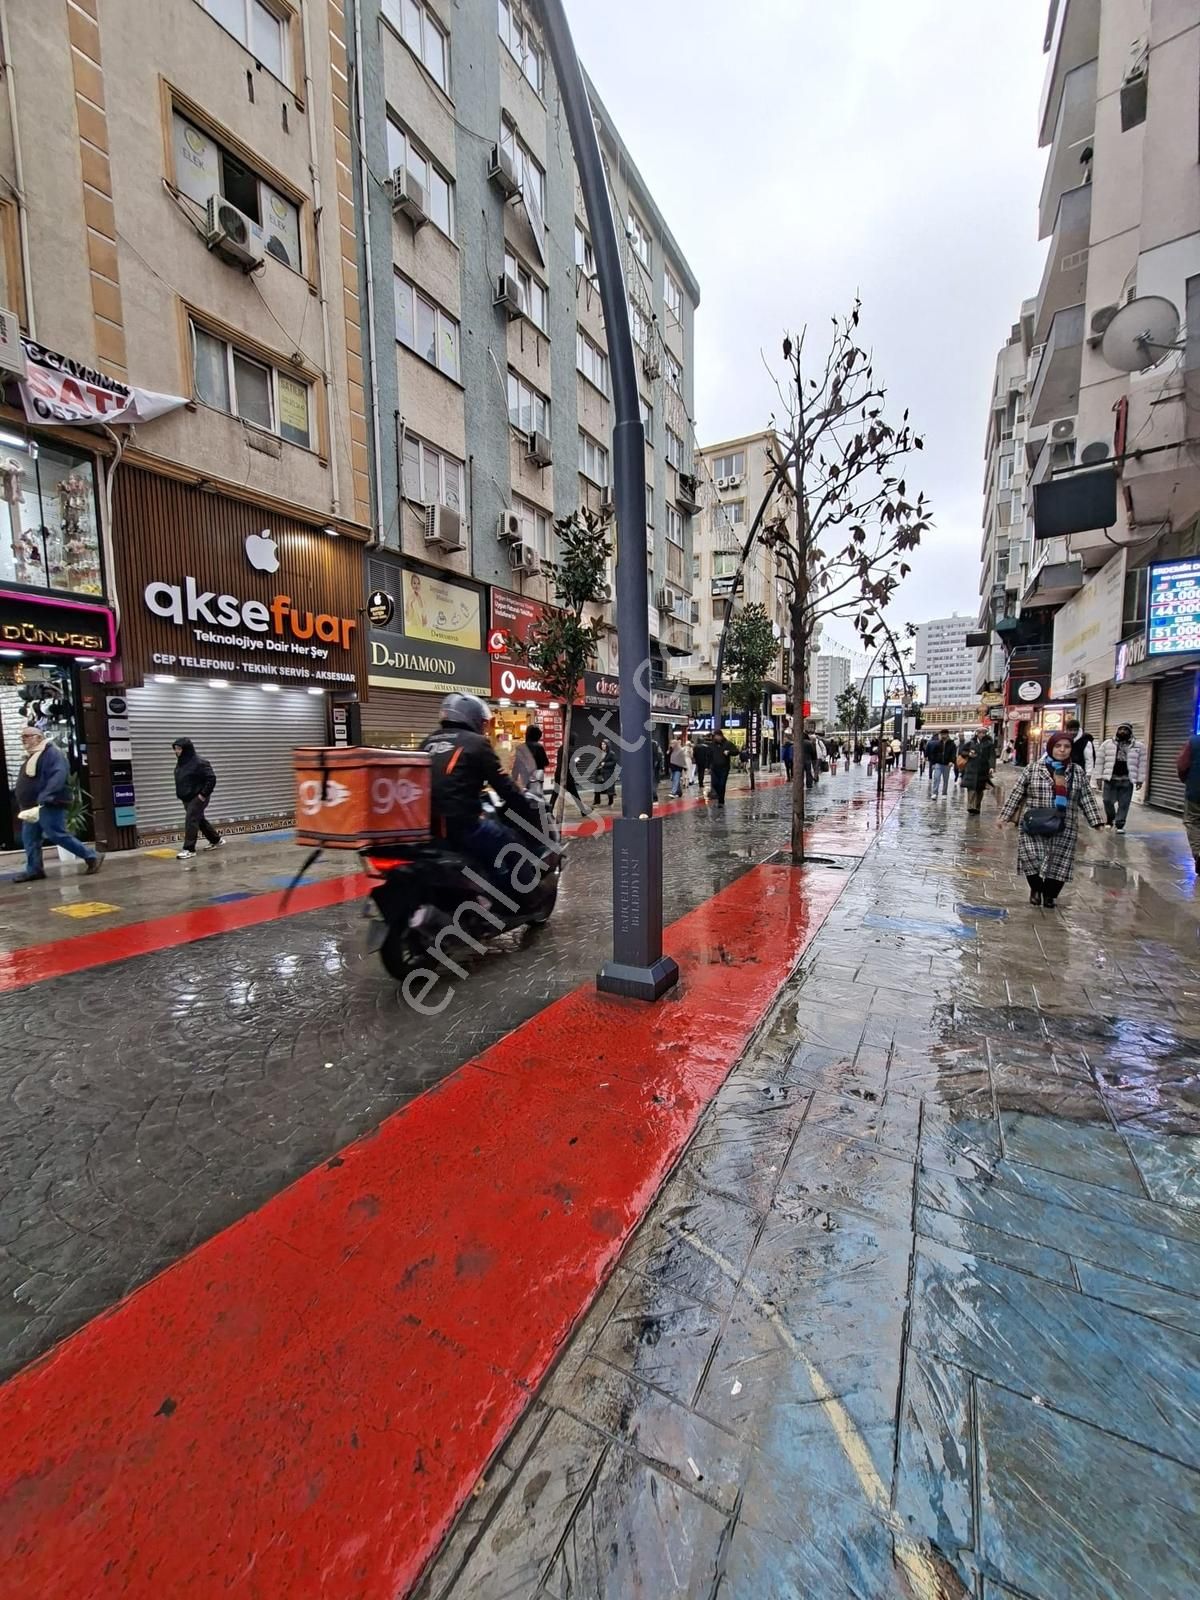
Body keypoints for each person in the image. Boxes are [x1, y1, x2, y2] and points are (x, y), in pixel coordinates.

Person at [421, 693, 539, 890]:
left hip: (429, 828)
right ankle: (519, 896)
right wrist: (525, 807)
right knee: (511, 841)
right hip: (463, 826)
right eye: (484, 723)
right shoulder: (476, 743)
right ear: (473, 718)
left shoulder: (426, 742)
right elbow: (504, 786)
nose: (485, 728)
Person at [998, 730, 1104, 908]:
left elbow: (1086, 797)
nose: (1062, 750)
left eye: (1067, 747)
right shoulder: (1033, 768)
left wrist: (1097, 821)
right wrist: (1005, 816)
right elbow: (1017, 793)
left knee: (1059, 863)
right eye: (1058, 746)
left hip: (1064, 824)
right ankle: (1036, 889)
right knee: (1030, 858)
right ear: (1050, 747)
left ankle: (1050, 895)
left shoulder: (1076, 772)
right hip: (1034, 823)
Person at [12, 727, 104, 881]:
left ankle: (92, 856)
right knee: (30, 838)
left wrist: (46, 795)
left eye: (27, 736)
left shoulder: (52, 753)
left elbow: (59, 775)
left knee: (57, 834)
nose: (24, 739)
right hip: (31, 807)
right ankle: (34, 870)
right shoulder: (33, 755)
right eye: (22, 737)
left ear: (39, 737)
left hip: (49, 803)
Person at [172, 737, 223, 860]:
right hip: (187, 797)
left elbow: (211, 779)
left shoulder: (200, 762)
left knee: (191, 819)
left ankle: (189, 849)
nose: (176, 752)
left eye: (179, 749)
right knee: (198, 819)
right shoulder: (181, 763)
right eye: (175, 749)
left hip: (198, 797)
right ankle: (216, 839)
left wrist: (202, 795)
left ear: (187, 749)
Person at [1096, 722, 1146, 831]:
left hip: (1127, 779)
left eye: (1126, 729)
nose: (1123, 731)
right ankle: (1110, 818)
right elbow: (1100, 761)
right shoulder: (1107, 744)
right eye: (1120, 729)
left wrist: (1140, 780)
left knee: (1124, 803)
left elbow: (1142, 764)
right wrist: (1098, 777)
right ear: (1117, 731)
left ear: (1130, 732)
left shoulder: (1139, 746)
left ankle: (1120, 824)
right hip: (1111, 778)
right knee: (1107, 801)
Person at [1176, 731, 1200, 871]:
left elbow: (1182, 766)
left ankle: (1198, 853)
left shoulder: (1194, 741)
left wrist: (1189, 781)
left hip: (1196, 791)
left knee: (1193, 821)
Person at [961, 730, 995, 816]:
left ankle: (977, 807)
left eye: (983, 733)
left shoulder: (989, 744)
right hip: (971, 768)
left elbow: (992, 756)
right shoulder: (971, 743)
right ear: (977, 733)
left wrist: (991, 767)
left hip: (983, 769)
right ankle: (971, 806)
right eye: (980, 733)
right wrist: (969, 754)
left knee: (980, 789)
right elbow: (962, 752)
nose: (981, 734)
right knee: (971, 788)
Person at [511, 724, 548, 797]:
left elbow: (516, 766)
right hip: (537, 778)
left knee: (527, 799)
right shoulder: (539, 747)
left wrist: (513, 779)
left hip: (525, 779)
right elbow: (546, 762)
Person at [590, 737, 618, 807]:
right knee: (597, 788)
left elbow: (614, 763)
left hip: (608, 774)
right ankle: (597, 802)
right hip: (599, 774)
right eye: (602, 744)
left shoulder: (611, 754)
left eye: (604, 744)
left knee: (609, 789)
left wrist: (605, 764)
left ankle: (610, 802)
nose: (603, 746)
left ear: (607, 745)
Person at [708, 730, 734, 806]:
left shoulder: (727, 744)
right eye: (715, 736)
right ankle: (719, 795)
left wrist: (729, 752)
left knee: (722, 784)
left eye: (717, 736)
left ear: (721, 736)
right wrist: (707, 766)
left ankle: (721, 801)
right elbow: (709, 756)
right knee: (715, 784)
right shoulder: (712, 745)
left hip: (724, 768)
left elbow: (736, 751)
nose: (716, 737)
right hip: (714, 768)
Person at [928, 729, 955, 798]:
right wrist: (933, 763)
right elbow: (934, 754)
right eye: (942, 734)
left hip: (947, 764)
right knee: (936, 778)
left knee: (945, 779)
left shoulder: (952, 744)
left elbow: (953, 754)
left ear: (947, 734)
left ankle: (944, 793)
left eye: (944, 734)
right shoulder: (938, 743)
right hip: (938, 763)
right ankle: (935, 792)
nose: (943, 735)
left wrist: (952, 761)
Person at [668, 733, 688, 798]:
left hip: (678, 768)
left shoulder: (680, 751)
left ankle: (673, 792)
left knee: (676, 779)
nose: (671, 745)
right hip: (672, 767)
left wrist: (685, 767)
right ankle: (679, 792)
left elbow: (682, 759)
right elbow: (669, 758)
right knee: (675, 779)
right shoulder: (671, 751)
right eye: (671, 743)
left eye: (673, 743)